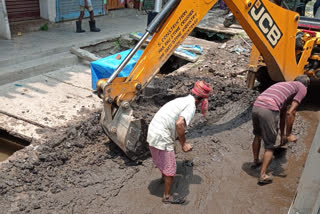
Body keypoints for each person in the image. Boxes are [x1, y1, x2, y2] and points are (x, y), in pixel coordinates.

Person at [147, 81, 213, 204]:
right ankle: (167, 197)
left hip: (154, 130)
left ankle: (163, 178)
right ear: (201, 100)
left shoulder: (183, 100)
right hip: (161, 134)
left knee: (165, 159)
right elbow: (179, 123)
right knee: (171, 168)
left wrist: (180, 138)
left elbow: (175, 123)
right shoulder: (191, 106)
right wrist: (184, 144)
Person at [251, 75, 310, 185]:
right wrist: (289, 134)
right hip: (269, 108)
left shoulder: (284, 85)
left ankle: (256, 161)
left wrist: (282, 135)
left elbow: (283, 114)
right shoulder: (302, 88)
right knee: (270, 145)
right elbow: (290, 112)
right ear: (306, 86)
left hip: (257, 106)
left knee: (258, 136)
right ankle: (263, 176)